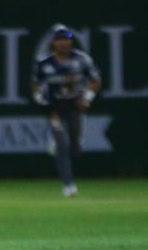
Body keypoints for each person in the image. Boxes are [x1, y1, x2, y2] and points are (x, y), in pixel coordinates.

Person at [31, 24, 101, 197]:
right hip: (54, 107)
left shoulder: (81, 59)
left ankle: (61, 141)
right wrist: (43, 103)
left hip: (74, 105)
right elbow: (35, 86)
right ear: (53, 43)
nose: (64, 43)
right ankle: (68, 185)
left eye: (67, 39)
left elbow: (95, 80)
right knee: (62, 143)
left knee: (74, 146)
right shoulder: (44, 63)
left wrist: (87, 98)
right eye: (60, 39)